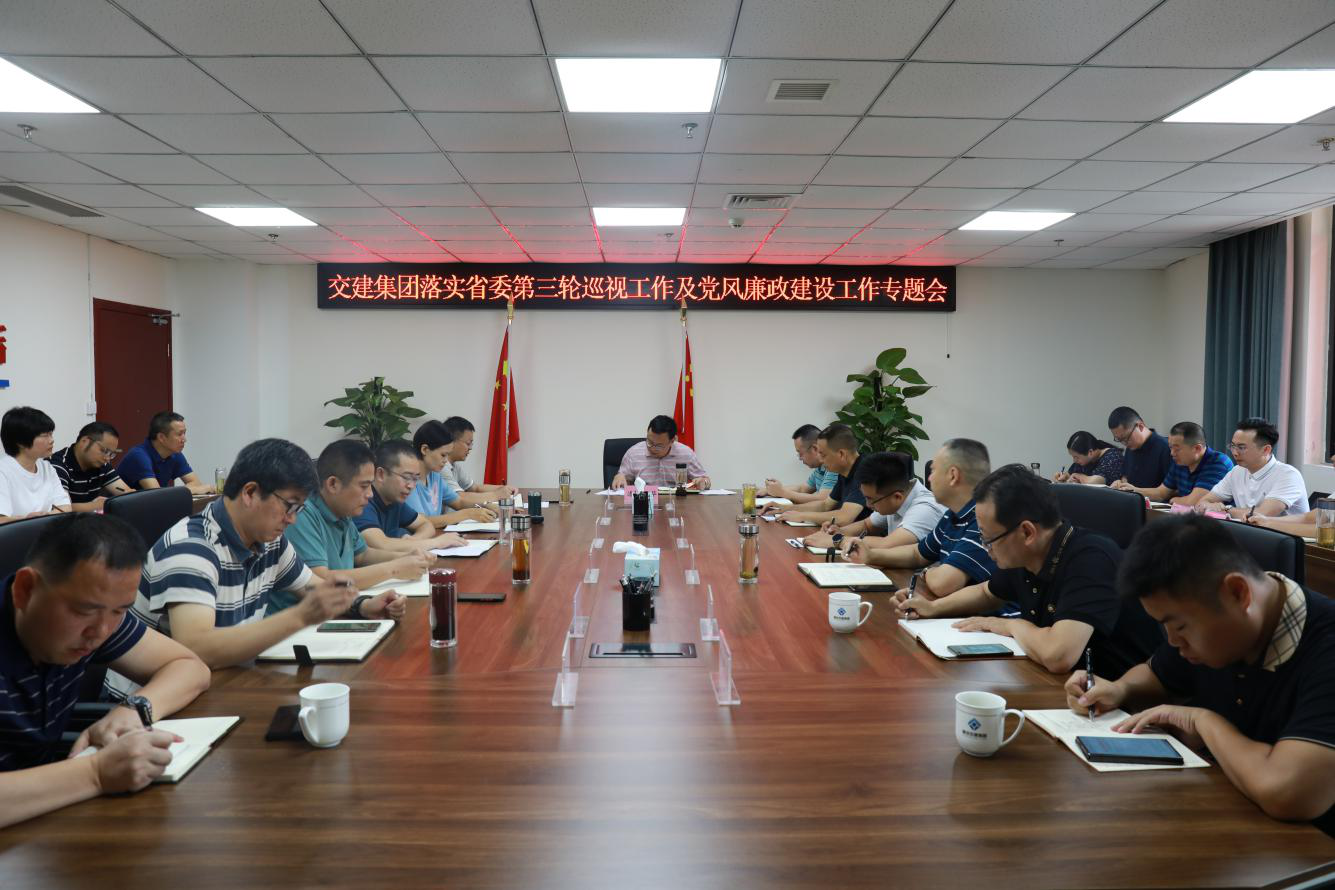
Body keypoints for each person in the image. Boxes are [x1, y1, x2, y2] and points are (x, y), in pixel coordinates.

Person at [1067, 515, 1335, 833]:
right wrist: (1120, 690)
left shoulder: (1325, 647)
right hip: (1227, 820)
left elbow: (1287, 793)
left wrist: (1203, 722)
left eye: (1180, 627)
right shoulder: (1218, 622)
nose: (1173, 642)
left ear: (1238, 593)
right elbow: (1157, 674)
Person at [122, 438, 404, 677]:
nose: (292, 520)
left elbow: (313, 588)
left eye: (298, 509)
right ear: (250, 493)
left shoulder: (269, 541)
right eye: (290, 506)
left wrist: (363, 606)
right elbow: (198, 648)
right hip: (152, 706)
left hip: (228, 679)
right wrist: (299, 616)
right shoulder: (192, 548)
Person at [0, 513, 210, 828]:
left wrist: (135, 708)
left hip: (44, 820)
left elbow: (190, 667)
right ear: (25, 589)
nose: (100, 632)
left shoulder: (97, 619)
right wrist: (95, 773)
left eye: (119, 611)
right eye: (84, 611)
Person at [896, 464, 1162, 677]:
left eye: (988, 539)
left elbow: (1059, 655)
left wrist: (1012, 625)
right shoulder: (1028, 554)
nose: (986, 549)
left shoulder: (1092, 558)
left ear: (1027, 532)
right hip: (1068, 687)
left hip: (1123, 703)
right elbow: (987, 593)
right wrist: (933, 608)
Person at [270, 440, 446, 613]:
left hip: (341, 609)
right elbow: (321, 579)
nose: (370, 494)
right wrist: (395, 568)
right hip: (302, 620)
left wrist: (405, 557)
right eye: (364, 486)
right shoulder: (301, 514)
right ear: (333, 484)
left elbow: (362, 554)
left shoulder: (343, 509)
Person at [849, 438, 997, 596]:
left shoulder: (982, 520)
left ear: (953, 475)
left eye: (933, 471)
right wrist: (870, 555)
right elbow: (917, 554)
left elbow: (942, 584)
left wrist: (926, 571)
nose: (929, 478)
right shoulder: (952, 515)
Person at [804, 451, 944, 553]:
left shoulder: (926, 509)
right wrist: (838, 531)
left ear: (897, 497)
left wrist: (838, 540)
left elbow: (887, 545)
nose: (868, 505)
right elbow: (868, 525)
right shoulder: (893, 496)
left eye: (871, 499)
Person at [354, 439, 468, 554]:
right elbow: (381, 545)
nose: (412, 486)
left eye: (415, 479)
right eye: (406, 477)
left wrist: (414, 540)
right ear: (381, 474)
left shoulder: (394, 500)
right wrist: (436, 542)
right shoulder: (363, 502)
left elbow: (426, 524)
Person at [1195, 418, 1308, 519]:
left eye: (1242, 448)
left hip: (1281, 535)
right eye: (1233, 446)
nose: (1235, 453)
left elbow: (1261, 515)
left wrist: (1226, 509)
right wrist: (1207, 505)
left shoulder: (1288, 475)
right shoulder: (1237, 471)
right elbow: (1201, 503)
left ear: (1266, 450)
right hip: (1248, 532)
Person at [768, 423, 869, 526]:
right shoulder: (845, 470)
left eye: (823, 455)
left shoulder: (865, 471)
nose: (820, 459)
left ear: (841, 454)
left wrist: (803, 516)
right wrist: (786, 508)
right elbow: (825, 505)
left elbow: (844, 517)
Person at [404, 420, 497, 528]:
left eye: (448, 455)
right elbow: (420, 521)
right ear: (425, 449)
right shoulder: (408, 480)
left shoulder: (435, 476)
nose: (445, 461)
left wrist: (485, 505)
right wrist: (467, 514)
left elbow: (459, 502)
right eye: (443, 455)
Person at [1118, 421, 1234, 506]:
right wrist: (1133, 490)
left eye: (1177, 449)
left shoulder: (1218, 463)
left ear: (1197, 448)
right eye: (1170, 447)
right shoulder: (1180, 462)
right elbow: (1161, 493)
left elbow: (1193, 503)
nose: (1172, 453)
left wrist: (1174, 500)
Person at [0, 406, 70, 523]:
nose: (51, 440)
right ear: (21, 441)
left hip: (44, 530)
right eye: (45, 435)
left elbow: (66, 508)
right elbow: (1, 520)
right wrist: (28, 520)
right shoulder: (3, 471)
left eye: (51, 434)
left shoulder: (47, 467)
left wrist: (43, 517)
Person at [116, 411, 213, 495]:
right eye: (179, 434)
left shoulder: (175, 453)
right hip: (123, 509)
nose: (184, 439)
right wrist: (192, 490)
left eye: (184, 433)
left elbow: (196, 483)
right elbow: (157, 494)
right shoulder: (139, 456)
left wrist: (193, 489)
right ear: (161, 437)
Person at [611, 415, 711, 491]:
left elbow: (706, 480)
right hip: (644, 503)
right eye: (649, 442)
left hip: (676, 504)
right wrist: (620, 477)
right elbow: (623, 479)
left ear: (672, 441)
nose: (652, 448)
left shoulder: (686, 454)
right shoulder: (633, 453)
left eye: (658, 446)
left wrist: (703, 482)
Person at [50, 421, 133, 512]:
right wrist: (99, 504)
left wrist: (129, 495)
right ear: (85, 441)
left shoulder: (102, 463)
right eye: (104, 451)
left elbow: (126, 493)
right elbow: (62, 508)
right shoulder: (59, 464)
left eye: (111, 454)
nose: (107, 458)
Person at [439, 416, 518, 507]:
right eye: (468, 443)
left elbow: (475, 488)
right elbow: (459, 498)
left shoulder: (454, 465)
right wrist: (496, 495)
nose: (470, 448)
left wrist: (503, 489)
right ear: (452, 442)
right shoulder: (442, 467)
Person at [758, 424, 839, 505]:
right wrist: (769, 490)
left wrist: (782, 492)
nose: (800, 458)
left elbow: (823, 500)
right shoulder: (820, 467)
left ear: (815, 449)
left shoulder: (833, 466)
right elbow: (802, 489)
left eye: (800, 453)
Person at [1107, 406, 1172, 491]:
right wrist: (1121, 483)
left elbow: (1172, 490)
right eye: (1119, 440)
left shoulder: (1167, 448)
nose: (1124, 444)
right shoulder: (1131, 447)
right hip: (1132, 498)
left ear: (1140, 426)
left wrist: (1136, 490)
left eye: (1126, 438)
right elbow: (1125, 476)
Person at [1053, 431, 1123, 486]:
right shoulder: (1083, 461)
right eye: (1073, 457)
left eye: (1076, 457)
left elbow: (1097, 481)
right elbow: (1070, 474)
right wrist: (1064, 477)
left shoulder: (1112, 456)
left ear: (1090, 452)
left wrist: (1078, 476)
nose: (1074, 460)